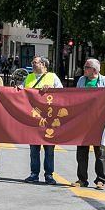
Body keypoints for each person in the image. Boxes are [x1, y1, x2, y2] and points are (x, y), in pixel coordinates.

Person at [75, 58, 105, 190]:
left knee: (99, 152)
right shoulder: (82, 81)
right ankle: (82, 179)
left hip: (100, 123)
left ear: (94, 70)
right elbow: (76, 97)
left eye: (86, 67)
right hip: (84, 121)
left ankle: (100, 180)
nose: (84, 69)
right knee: (82, 152)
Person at [22, 56, 63, 185]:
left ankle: (49, 175)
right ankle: (34, 174)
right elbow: (21, 93)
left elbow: (62, 94)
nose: (33, 65)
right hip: (33, 119)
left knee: (49, 149)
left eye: (36, 63)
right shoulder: (29, 77)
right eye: (32, 62)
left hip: (49, 119)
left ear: (44, 64)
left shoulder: (52, 77)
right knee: (34, 149)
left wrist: (51, 90)